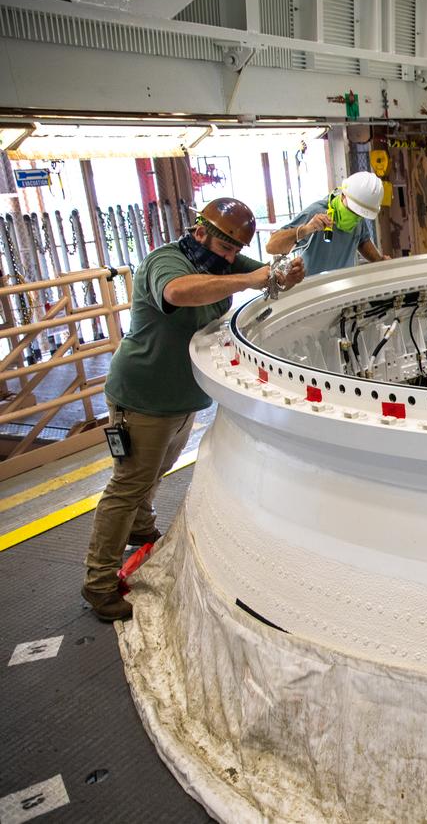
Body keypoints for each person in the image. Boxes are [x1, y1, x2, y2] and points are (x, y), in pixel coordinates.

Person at [81, 198, 305, 622]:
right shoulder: (166, 261)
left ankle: (140, 526)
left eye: (235, 252)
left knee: (156, 469)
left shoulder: (223, 261)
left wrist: (285, 275)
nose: (230, 259)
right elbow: (177, 292)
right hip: (143, 397)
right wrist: (247, 278)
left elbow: (261, 276)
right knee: (127, 484)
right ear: (200, 233)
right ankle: (98, 584)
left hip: (181, 398)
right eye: (225, 251)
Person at [266, 170, 388, 275]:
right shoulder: (316, 213)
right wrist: (306, 229)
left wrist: (379, 261)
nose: (355, 217)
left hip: (344, 289)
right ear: (343, 195)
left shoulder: (358, 219)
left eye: (360, 214)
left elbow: (362, 240)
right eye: (353, 210)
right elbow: (271, 246)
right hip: (313, 291)